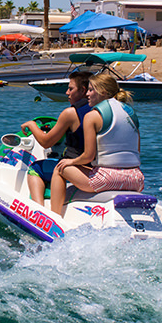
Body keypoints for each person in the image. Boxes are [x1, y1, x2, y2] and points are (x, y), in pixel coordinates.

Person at [50, 72, 144, 216]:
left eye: (91, 90)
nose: (87, 94)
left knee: (60, 168)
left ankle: (53, 218)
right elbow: (137, 151)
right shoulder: (130, 113)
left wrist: (71, 161)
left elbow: (88, 156)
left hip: (106, 179)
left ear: (103, 92)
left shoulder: (92, 116)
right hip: (136, 179)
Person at [20, 71, 92, 206]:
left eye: (71, 89)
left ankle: (38, 211)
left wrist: (32, 125)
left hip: (75, 167)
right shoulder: (100, 110)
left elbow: (46, 142)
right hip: (94, 168)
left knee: (35, 168)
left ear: (83, 90)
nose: (67, 93)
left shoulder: (71, 113)